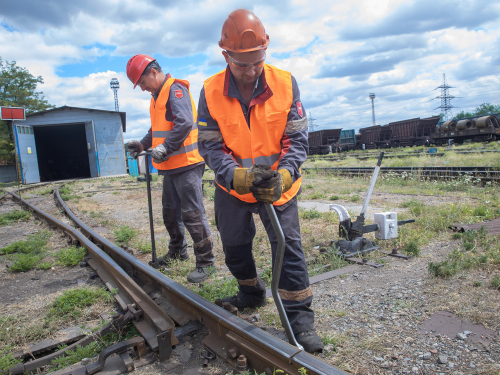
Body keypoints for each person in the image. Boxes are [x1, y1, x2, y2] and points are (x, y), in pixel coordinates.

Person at [196, 9, 323, 353]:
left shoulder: (285, 82)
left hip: (278, 185)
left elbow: (297, 140)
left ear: (264, 51)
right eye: (242, 64)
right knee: (235, 247)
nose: (251, 71)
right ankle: (251, 293)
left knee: (289, 248)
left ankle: (299, 318)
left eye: (257, 62)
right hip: (233, 187)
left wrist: (283, 175)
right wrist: (233, 175)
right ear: (226, 55)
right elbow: (208, 145)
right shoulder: (209, 91)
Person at [126, 55, 215, 283]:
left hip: (187, 163)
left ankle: (206, 262)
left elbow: (184, 122)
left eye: (143, 83)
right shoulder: (157, 97)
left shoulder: (176, 90)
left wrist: (166, 147)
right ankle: (178, 251)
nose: (143, 89)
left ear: (153, 72)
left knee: (192, 214)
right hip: (171, 165)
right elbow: (157, 128)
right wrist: (144, 144)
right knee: (170, 213)